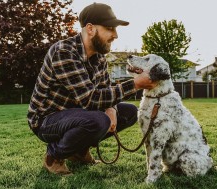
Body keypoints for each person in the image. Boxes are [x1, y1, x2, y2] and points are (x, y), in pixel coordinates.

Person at [27, 2, 156, 175]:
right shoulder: (64, 51)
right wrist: (135, 84)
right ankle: (54, 156)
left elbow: (105, 88)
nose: (115, 35)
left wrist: (111, 108)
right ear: (90, 29)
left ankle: (79, 152)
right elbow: (90, 99)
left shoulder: (99, 58)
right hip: (46, 120)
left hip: (77, 113)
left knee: (129, 112)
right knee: (98, 120)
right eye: (110, 28)